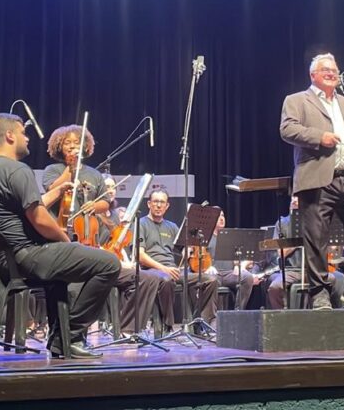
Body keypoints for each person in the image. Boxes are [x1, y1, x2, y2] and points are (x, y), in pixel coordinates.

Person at [0, 113, 119, 358]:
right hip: (27, 257)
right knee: (109, 264)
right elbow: (39, 218)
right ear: (9, 136)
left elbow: (28, 206)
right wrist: (64, 239)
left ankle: (62, 336)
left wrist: (58, 190)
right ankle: (68, 335)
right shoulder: (17, 170)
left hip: (5, 262)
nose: (27, 139)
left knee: (72, 267)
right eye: (23, 133)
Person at [43, 125, 171, 336]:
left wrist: (94, 206)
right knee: (74, 285)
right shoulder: (52, 170)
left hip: (91, 245)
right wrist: (70, 168)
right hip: (63, 243)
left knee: (147, 279)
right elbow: (51, 191)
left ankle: (129, 331)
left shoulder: (94, 175)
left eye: (77, 142)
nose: (73, 146)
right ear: (59, 146)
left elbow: (106, 202)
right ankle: (70, 335)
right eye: (68, 143)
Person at [280, 52, 344, 309]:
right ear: (313, 75)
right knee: (317, 239)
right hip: (317, 179)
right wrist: (319, 136)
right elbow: (287, 129)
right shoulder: (297, 100)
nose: (332, 73)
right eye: (325, 70)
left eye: (334, 69)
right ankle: (320, 293)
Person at [137, 187, 218, 331]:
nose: (159, 205)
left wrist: (188, 250)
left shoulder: (172, 226)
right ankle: (167, 325)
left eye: (162, 202)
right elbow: (140, 256)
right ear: (149, 204)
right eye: (155, 201)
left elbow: (183, 250)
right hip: (151, 271)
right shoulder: (141, 224)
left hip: (173, 271)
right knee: (166, 280)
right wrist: (163, 269)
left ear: (167, 206)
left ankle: (201, 323)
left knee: (210, 280)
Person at [265, 196, 344, 309]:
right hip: (292, 271)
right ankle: (281, 318)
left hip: (313, 270)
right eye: (293, 198)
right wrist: (299, 239)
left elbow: (326, 250)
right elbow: (281, 253)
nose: (294, 200)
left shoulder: (315, 222)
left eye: (298, 198)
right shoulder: (282, 223)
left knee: (336, 278)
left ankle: (331, 313)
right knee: (275, 287)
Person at [207, 211, 261, 310]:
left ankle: (238, 311)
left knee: (247, 277)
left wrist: (240, 266)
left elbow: (246, 258)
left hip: (229, 274)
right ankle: (212, 317)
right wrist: (207, 267)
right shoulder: (206, 237)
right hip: (214, 274)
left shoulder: (231, 237)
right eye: (218, 216)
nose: (221, 218)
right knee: (209, 280)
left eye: (223, 215)